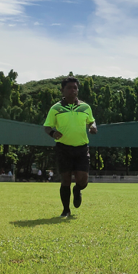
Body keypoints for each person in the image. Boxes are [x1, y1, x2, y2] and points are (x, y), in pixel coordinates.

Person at [43, 76, 98, 218]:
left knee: (83, 180)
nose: (72, 91)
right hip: (63, 148)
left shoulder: (85, 107)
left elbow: (92, 121)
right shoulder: (56, 108)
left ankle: (77, 190)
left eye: (75, 88)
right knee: (65, 179)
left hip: (81, 148)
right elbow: (47, 126)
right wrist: (53, 133)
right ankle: (66, 210)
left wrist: (93, 127)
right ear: (62, 90)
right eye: (69, 88)